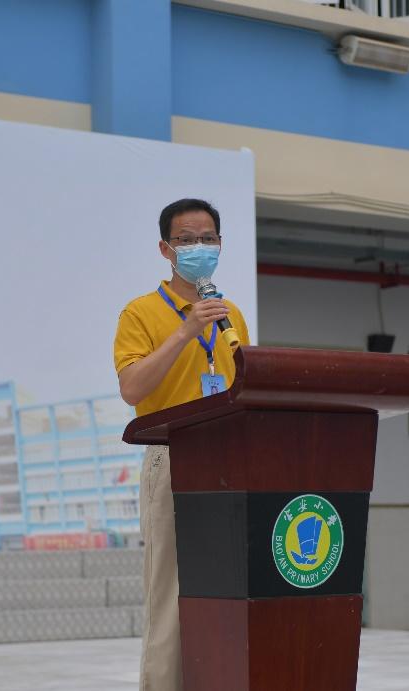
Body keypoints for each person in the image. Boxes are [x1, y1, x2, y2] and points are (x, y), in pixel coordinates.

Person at [113, 198, 250, 691]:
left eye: (207, 239)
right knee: (169, 595)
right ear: (165, 249)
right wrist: (188, 328)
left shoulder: (232, 314)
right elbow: (133, 388)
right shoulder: (140, 312)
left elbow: (245, 385)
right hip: (173, 459)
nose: (199, 248)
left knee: (231, 593)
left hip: (230, 463)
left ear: (221, 245)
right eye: (187, 240)